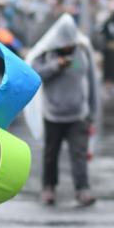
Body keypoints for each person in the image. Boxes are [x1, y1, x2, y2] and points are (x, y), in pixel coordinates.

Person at [30, 15, 98, 207]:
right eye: (65, 43)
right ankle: (48, 188)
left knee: (79, 154)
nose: (69, 47)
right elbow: (34, 74)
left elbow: (92, 82)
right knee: (51, 154)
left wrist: (92, 112)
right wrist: (55, 66)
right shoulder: (47, 53)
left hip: (78, 115)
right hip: (53, 114)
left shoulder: (83, 51)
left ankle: (82, 190)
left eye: (71, 43)